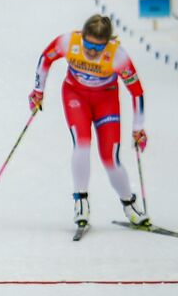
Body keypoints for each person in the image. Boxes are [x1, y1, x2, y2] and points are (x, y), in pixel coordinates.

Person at [29, 14, 149, 230]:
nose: (92, 52)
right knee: (82, 144)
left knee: (110, 158)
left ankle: (129, 205)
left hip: (106, 101)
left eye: (99, 48)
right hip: (76, 96)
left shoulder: (118, 56)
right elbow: (45, 59)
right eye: (88, 45)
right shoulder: (68, 42)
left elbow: (137, 92)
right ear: (81, 36)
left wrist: (138, 128)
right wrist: (38, 90)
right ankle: (81, 201)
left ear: (108, 43)